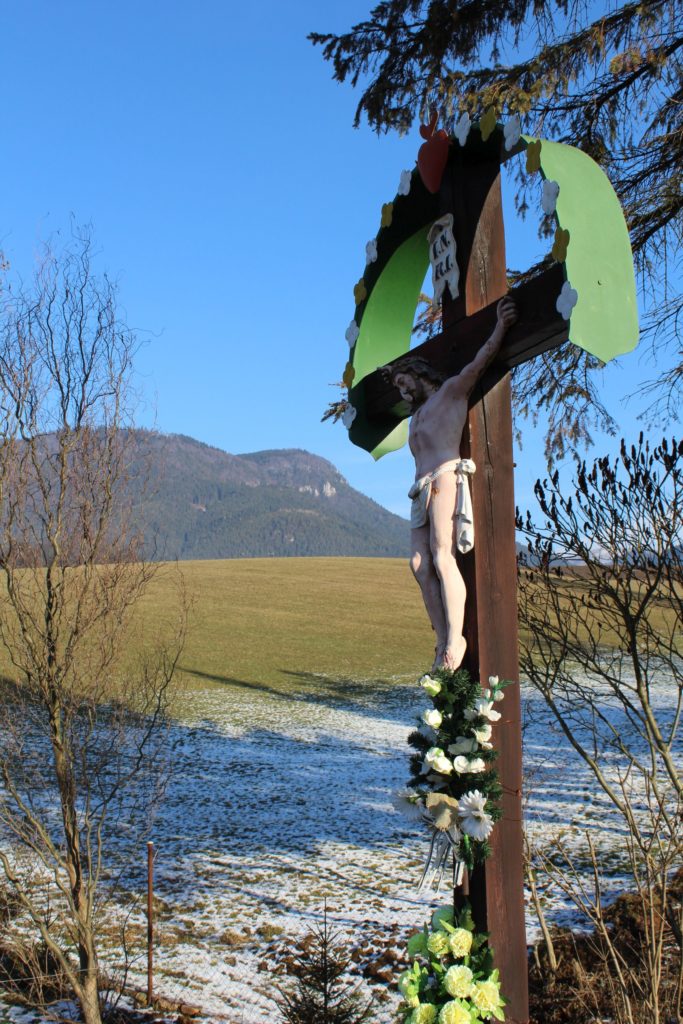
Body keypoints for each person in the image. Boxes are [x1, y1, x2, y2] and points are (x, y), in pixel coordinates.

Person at [389, 296, 518, 670]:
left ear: (419, 374)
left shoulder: (451, 392)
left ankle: (454, 639)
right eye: (397, 386)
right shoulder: (415, 418)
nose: (402, 391)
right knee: (417, 562)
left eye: (404, 382)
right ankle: (441, 635)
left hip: (445, 475)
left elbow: (480, 362)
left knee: (443, 555)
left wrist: (501, 326)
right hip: (420, 488)